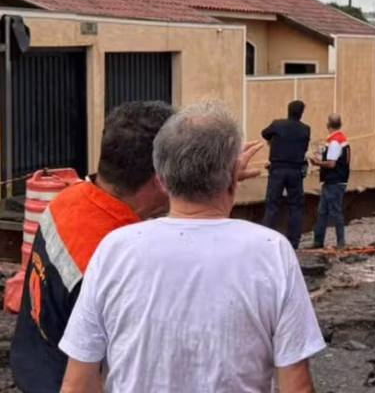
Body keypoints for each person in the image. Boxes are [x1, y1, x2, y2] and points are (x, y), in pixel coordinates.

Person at [59, 101, 325, 393]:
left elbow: (77, 385)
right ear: (233, 178)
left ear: (160, 178)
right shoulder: (272, 251)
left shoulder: (115, 250)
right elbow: (296, 385)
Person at [9, 101, 264, 393]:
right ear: (162, 178)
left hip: (36, 367)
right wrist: (216, 197)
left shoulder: (68, 200)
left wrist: (211, 186)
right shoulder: (122, 260)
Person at [262, 100, 311, 249]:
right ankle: (293, 242)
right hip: (296, 171)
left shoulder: (277, 125)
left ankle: (266, 240)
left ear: (288, 110)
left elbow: (264, 133)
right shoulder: (305, 129)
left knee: (272, 205)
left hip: (277, 169)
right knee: (295, 206)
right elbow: (304, 147)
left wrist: (276, 141)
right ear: (301, 113)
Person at [309, 114, 350, 249]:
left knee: (334, 212)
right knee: (322, 211)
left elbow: (332, 164)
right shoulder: (342, 139)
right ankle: (318, 241)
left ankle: (340, 242)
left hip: (334, 181)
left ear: (328, 125)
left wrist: (317, 163)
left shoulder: (334, 142)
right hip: (335, 181)